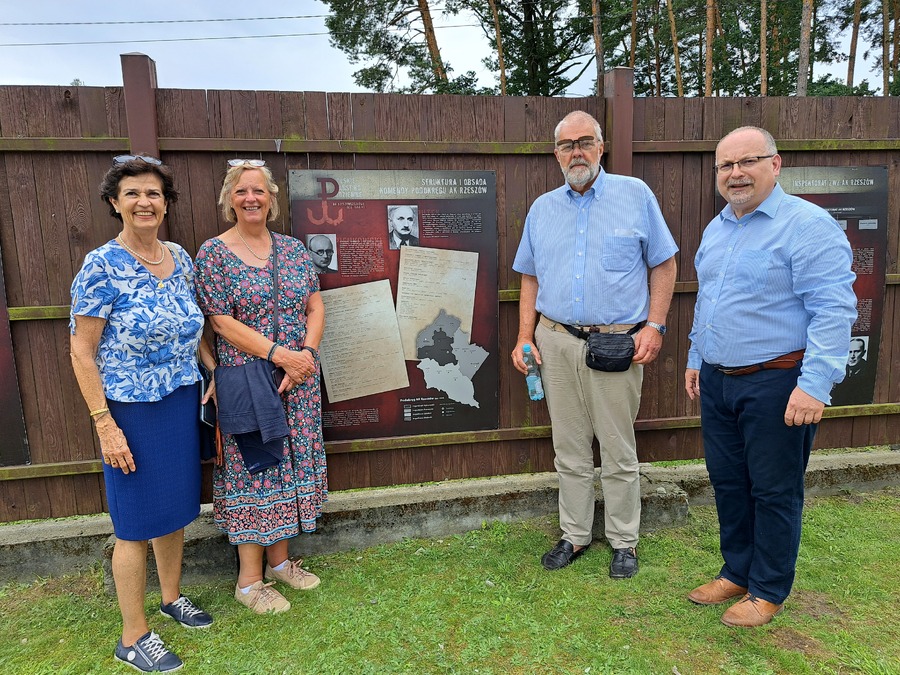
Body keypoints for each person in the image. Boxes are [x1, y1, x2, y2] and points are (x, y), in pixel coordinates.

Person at [685, 127, 857, 627]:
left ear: (775, 164)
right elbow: (708, 300)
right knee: (729, 483)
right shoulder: (718, 229)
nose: (735, 173)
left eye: (748, 162)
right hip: (719, 381)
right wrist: (696, 357)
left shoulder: (808, 225)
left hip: (778, 383)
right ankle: (737, 571)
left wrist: (814, 385)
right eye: (725, 166)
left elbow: (833, 308)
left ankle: (768, 588)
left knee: (775, 490)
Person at [511, 110, 678, 579]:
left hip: (616, 346)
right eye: (567, 145)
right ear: (556, 154)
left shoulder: (635, 195)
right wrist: (525, 336)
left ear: (601, 147)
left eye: (585, 142)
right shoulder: (542, 209)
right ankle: (575, 534)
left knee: (619, 449)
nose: (576, 151)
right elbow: (529, 276)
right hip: (555, 342)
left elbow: (664, 264)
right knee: (569, 448)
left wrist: (656, 326)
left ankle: (624, 541)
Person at [70, 154, 213, 673]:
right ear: (115, 203)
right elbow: (81, 352)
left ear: (165, 203)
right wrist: (104, 424)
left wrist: (210, 370)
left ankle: (171, 597)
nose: (144, 202)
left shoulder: (178, 256)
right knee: (132, 523)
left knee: (174, 508)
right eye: (132, 193)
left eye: (153, 193)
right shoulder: (100, 266)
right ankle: (132, 637)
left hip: (178, 399)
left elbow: (190, 325)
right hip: (128, 409)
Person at [195, 159, 327, 614]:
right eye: (241, 191)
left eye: (259, 191)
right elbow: (219, 321)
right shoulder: (213, 253)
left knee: (288, 467)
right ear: (229, 199)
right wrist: (278, 354)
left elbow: (315, 306)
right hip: (248, 382)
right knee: (257, 468)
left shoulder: (292, 249)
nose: (251, 198)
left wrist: (305, 356)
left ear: (272, 199)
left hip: (297, 382)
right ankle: (248, 582)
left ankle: (280, 564)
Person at [830, 337, 874, 406]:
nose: (852, 356)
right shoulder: (841, 370)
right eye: (850, 352)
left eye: (856, 351)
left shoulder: (869, 372)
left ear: (863, 352)